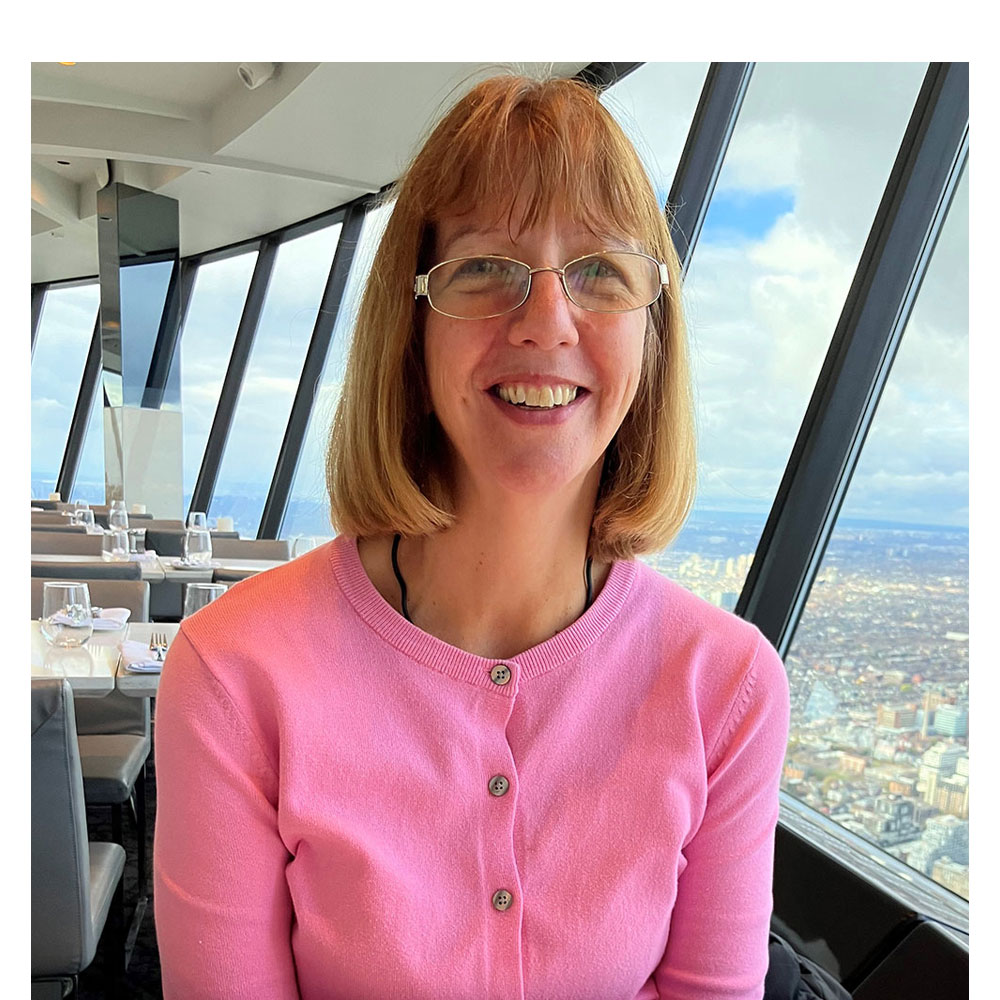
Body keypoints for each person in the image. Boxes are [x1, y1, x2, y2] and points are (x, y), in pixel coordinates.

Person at [154, 73, 790, 1000]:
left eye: (600, 271)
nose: (546, 321)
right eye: (485, 267)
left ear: (653, 341)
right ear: (410, 327)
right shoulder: (235, 673)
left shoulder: (724, 689)